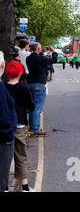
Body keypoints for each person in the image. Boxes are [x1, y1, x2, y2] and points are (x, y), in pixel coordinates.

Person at [5, 62, 35, 192]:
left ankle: (4, 187)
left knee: (4, 157)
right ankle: (25, 187)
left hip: (4, 126)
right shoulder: (24, 89)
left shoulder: (2, 88)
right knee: (21, 156)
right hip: (19, 125)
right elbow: (32, 107)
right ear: (20, 73)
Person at [26, 43, 57, 136]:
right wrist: (54, 51)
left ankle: (32, 127)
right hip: (39, 85)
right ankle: (35, 129)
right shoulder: (41, 59)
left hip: (30, 84)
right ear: (38, 49)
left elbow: (37, 58)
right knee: (37, 109)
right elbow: (54, 60)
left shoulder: (29, 58)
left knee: (32, 108)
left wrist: (41, 52)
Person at [0, 51, 17, 192]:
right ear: (2, 65)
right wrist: (9, 137)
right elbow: (4, 117)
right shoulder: (0, 87)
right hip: (3, 141)